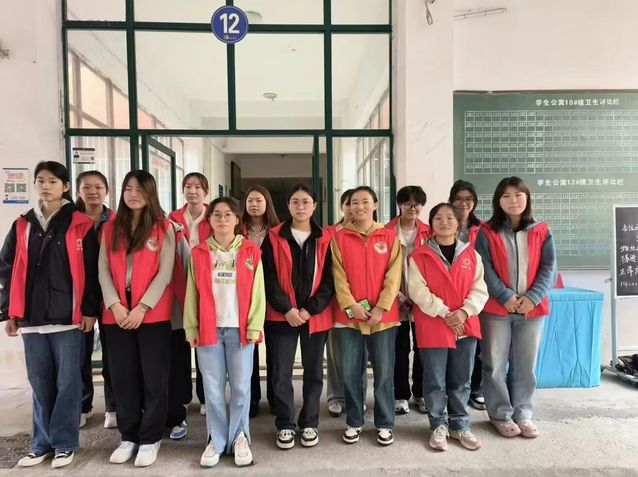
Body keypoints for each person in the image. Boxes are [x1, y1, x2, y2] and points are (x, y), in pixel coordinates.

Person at [1, 161, 100, 469]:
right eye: (41, 181)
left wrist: (89, 310)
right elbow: (6, 269)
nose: (46, 186)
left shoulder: (80, 223)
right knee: (39, 381)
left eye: (53, 181)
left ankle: (64, 443)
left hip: (68, 317)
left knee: (68, 382)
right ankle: (40, 444)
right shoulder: (22, 224)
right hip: (31, 316)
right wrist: (8, 312)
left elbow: (93, 271)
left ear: (65, 187)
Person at [99, 170, 175, 467]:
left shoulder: (163, 228)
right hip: (116, 315)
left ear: (151, 193)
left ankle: (151, 437)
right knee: (123, 378)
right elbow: (102, 270)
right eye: (128, 188)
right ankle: (128, 436)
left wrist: (142, 307)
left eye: (140, 189)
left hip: (152, 315)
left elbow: (165, 272)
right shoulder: (109, 228)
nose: (133, 194)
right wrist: (115, 305)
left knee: (154, 379)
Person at [183, 197, 265, 468]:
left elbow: (258, 292)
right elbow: (191, 292)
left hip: (240, 330)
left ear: (237, 219)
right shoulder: (199, 252)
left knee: (241, 387)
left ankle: (240, 436)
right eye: (216, 215)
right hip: (209, 330)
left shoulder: (251, 251)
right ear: (209, 220)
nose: (222, 219)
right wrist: (191, 326)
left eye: (228, 214)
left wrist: (254, 325)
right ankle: (216, 440)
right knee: (212, 388)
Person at [475, 176, 557, 439]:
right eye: (507, 196)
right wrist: (505, 296)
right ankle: (500, 415)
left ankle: (523, 413)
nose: (513, 201)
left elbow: (549, 268)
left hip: (532, 310)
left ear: (527, 198)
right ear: (498, 201)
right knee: (494, 364)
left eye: (518, 195)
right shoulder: (486, 232)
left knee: (525, 365)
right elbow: (483, 267)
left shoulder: (541, 230)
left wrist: (533, 296)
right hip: (496, 309)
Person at [408, 203, 488, 451]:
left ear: (458, 222)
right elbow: (417, 291)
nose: (444, 222)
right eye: (439, 218)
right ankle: (438, 425)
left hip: (465, 324)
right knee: (434, 380)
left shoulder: (471, 255)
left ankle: (460, 424)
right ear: (431, 224)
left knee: (461, 379)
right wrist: (445, 312)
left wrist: (464, 312)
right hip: (433, 323)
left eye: (450, 217)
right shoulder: (419, 256)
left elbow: (480, 289)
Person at [261, 184, 334, 449]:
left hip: (314, 316)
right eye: (295, 201)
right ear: (288, 206)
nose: (300, 206)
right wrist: (287, 309)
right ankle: (285, 424)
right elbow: (267, 276)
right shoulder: (274, 236)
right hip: (282, 316)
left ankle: (310, 422)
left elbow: (330, 280)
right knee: (281, 373)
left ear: (314, 206)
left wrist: (309, 309)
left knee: (314, 372)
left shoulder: (325, 238)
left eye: (305, 201)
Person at [331, 186, 402, 446]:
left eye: (365, 202)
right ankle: (354, 421)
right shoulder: (339, 238)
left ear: (375, 205)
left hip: (384, 318)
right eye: (354, 202)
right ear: (348, 207)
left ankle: (384, 423)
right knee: (350, 372)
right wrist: (352, 306)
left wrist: (381, 307)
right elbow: (338, 276)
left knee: (384, 372)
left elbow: (394, 276)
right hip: (349, 317)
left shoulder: (389, 237)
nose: (359, 206)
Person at [167, 172, 212, 432]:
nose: (192, 191)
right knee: (181, 345)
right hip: (179, 286)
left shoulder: (214, 216)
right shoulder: (172, 218)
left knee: (205, 345)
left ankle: (205, 396)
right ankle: (183, 397)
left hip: (206, 285)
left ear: (205, 191)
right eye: (188, 186)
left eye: (197, 187)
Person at [76, 170, 117, 429]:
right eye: (87, 187)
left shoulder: (116, 220)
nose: (93, 192)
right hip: (79, 297)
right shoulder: (71, 221)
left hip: (111, 295)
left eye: (98, 187)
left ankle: (113, 405)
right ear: (77, 191)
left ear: (106, 190)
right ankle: (84, 405)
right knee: (81, 354)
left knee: (113, 354)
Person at [385, 185, 430, 415]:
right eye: (407, 203)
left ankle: (420, 393)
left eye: (417, 204)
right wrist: (400, 296)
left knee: (423, 349)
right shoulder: (386, 232)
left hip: (423, 301)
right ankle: (400, 395)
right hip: (395, 300)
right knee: (399, 349)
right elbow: (381, 269)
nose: (413, 208)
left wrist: (420, 297)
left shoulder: (430, 233)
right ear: (399, 205)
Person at [325, 189, 368, 418]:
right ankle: (335, 396)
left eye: (359, 203)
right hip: (335, 303)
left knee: (360, 355)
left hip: (364, 305)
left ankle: (358, 396)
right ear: (342, 207)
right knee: (335, 354)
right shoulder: (330, 233)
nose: (354, 208)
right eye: (349, 204)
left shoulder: (370, 233)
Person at [241, 185, 280, 417]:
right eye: (250, 200)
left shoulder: (278, 231)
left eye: (259, 200)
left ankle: (275, 398)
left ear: (267, 203)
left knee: (276, 350)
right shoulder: (237, 230)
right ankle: (252, 398)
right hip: (244, 297)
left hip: (273, 295)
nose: (254, 204)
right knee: (249, 350)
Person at [448, 179, 485, 410]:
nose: (464, 203)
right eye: (459, 199)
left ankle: (476, 389)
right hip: (448, 294)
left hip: (475, 294)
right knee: (448, 345)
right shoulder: (442, 224)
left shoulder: (483, 229)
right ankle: (448, 390)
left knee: (476, 346)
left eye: (469, 199)